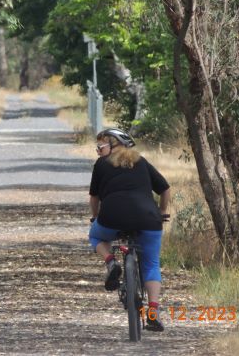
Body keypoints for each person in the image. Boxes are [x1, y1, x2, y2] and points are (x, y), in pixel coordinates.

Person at [88, 128, 171, 332]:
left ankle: (110, 262)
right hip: (148, 220)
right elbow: (165, 188)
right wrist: (161, 212)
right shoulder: (141, 162)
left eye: (101, 146)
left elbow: (94, 197)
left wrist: (95, 217)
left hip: (112, 218)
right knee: (151, 264)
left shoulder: (101, 165)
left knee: (95, 235)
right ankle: (152, 313)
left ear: (115, 145)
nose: (98, 151)